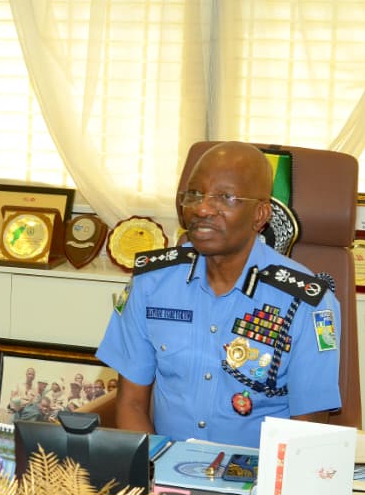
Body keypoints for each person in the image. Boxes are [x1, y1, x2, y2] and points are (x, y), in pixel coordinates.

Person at [96, 141, 341, 448]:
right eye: (194, 194)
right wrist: (154, 474)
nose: (202, 208)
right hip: (164, 472)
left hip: (259, 479)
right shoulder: (152, 283)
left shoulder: (307, 302)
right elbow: (131, 403)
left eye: (225, 197)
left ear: (260, 214)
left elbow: (308, 430)